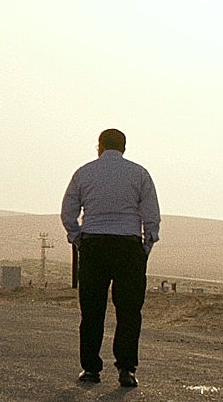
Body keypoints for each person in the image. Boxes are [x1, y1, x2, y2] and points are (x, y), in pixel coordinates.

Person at [60, 128, 160, 388]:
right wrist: (145, 247)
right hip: (128, 245)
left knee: (92, 310)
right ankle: (127, 369)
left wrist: (77, 238)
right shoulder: (139, 173)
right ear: (124, 148)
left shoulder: (84, 173)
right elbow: (151, 215)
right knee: (128, 311)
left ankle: (91, 368)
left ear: (99, 146)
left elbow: (68, 212)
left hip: (94, 243)